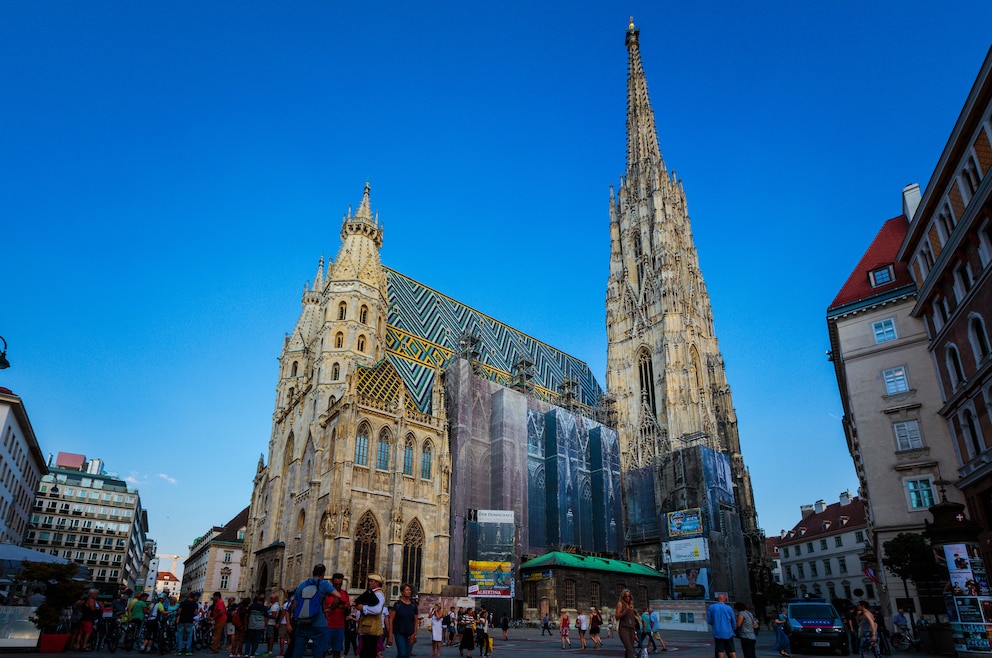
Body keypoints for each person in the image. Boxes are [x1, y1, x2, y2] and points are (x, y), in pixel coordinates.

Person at [291, 564, 338, 658]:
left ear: (313, 572)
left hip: (302, 623)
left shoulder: (302, 585)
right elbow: (338, 596)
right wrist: (330, 608)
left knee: (297, 652)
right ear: (323, 574)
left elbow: (294, 604)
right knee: (318, 653)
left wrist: (300, 615)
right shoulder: (323, 584)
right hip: (318, 623)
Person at [356, 573, 386, 658]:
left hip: (372, 628)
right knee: (366, 651)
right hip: (368, 628)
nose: (369, 583)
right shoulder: (374, 593)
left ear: (377, 583)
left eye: (372, 581)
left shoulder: (378, 594)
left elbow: (377, 610)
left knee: (368, 652)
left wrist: (363, 607)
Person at [389, 584, 418, 658]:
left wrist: (414, 633)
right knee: (402, 653)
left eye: (410, 590)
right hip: (399, 632)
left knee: (407, 655)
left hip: (410, 633)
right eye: (407, 590)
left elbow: (415, 620)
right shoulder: (397, 605)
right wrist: (390, 635)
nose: (409, 591)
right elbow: (391, 620)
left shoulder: (413, 605)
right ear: (402, 592)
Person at [705, 594, 737, 658]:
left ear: (718, 599)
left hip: (718, 632)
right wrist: (734, 628)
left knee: (720, 650)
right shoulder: (729, 608)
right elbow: (733, 621)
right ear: (725, 599)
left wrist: (714, 623)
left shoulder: (712, 607)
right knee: (732, 650)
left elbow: (709, 620)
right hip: (728, 632)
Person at [177, 591, 201, 656]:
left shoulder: (183, 602)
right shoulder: (194, 604)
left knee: (180, 635)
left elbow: (179, 612)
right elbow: (196, 613)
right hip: (190, 621)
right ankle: (188, 650)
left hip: (182, 620)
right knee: (189, 636)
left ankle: (179, 650)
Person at [616, 590, 639, 658]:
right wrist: (626, 611)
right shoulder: (620, 604)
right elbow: (617, 616)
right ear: (623, 597)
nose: (627, 598)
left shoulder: (631, 605)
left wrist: (635, 633)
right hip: (624, 628)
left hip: (631, 628)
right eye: (625, 596)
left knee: (629, 649)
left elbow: (633, 619)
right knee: (629, 649)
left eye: (629, 596)